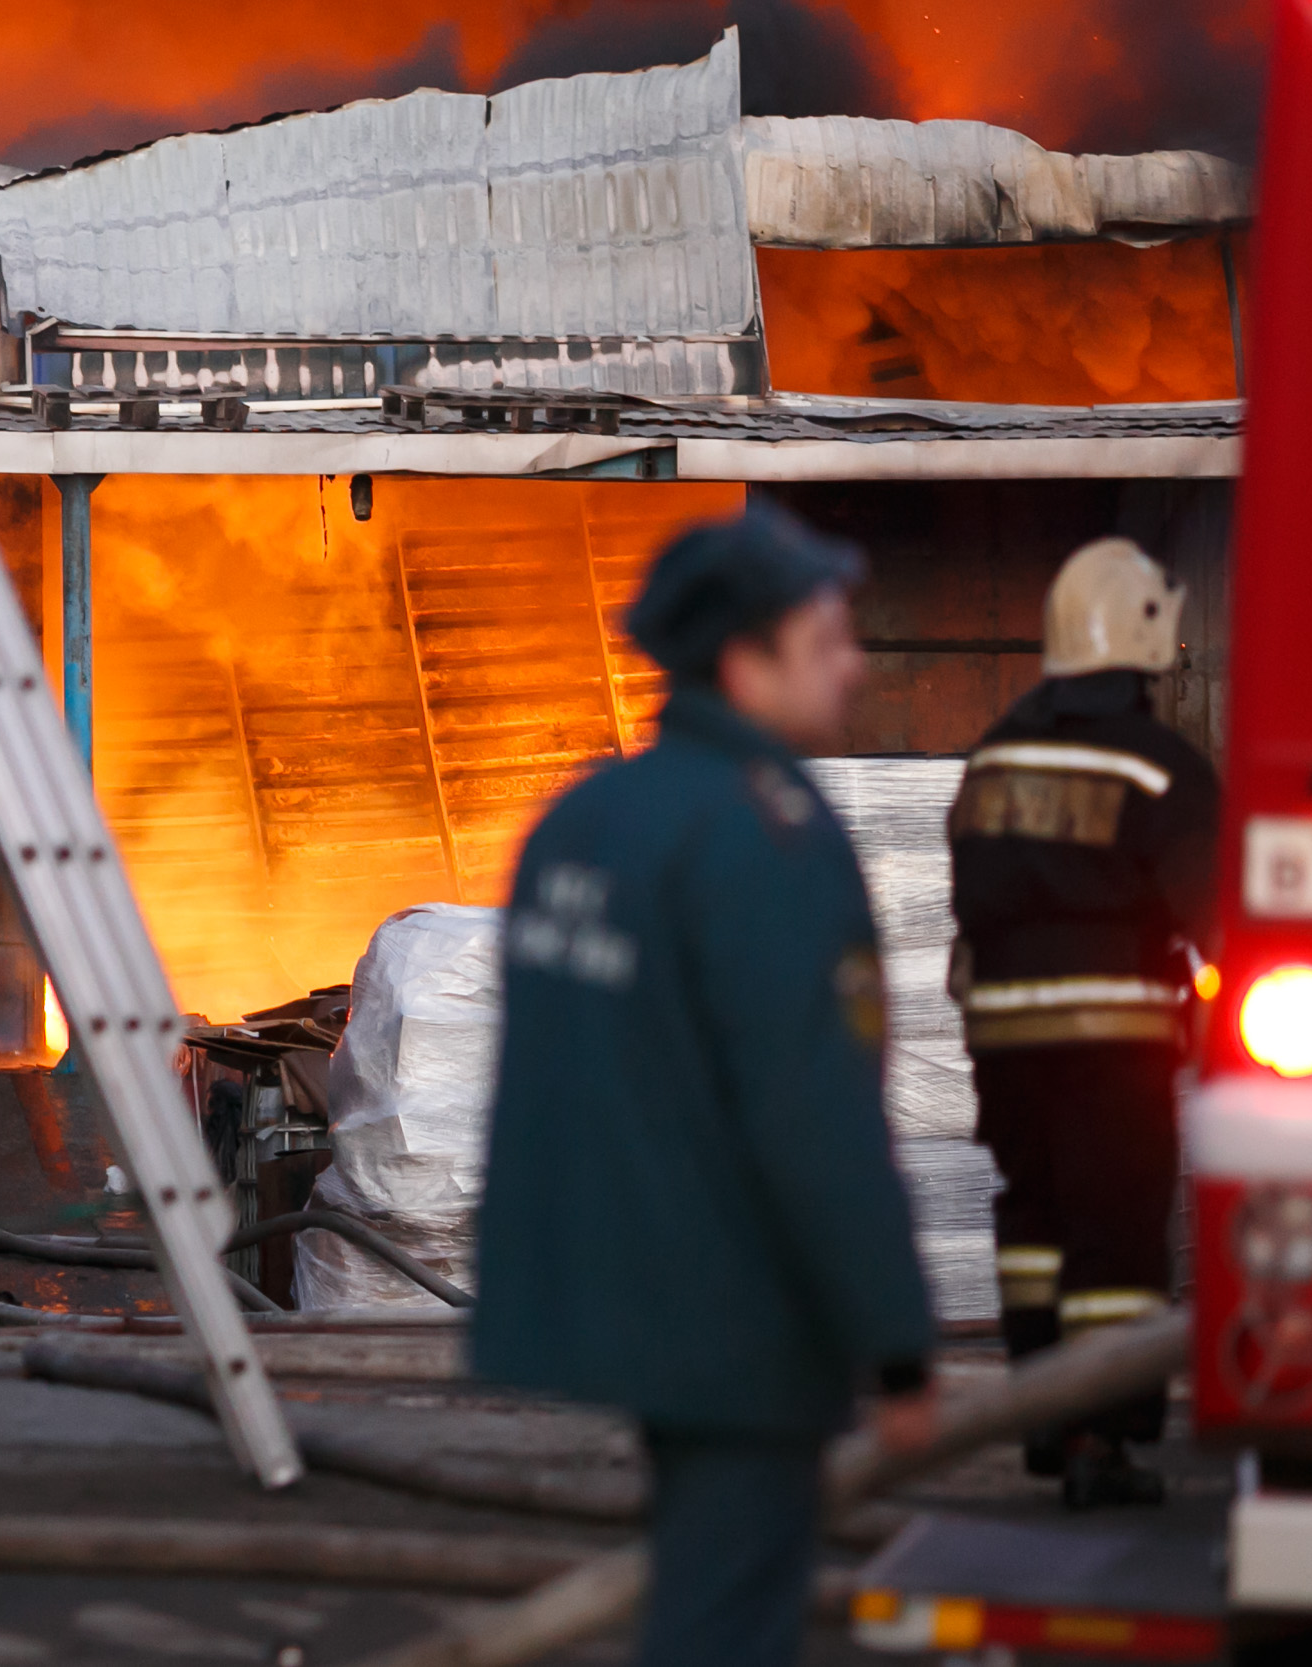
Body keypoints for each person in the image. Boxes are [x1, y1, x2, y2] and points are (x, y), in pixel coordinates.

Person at [473, 503, 938, 1667]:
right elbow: (812, 1109)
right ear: (746, 658)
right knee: (727, 1619)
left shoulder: (581, 821)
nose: (856, 664)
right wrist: (897, 1340)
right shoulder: (764, 833)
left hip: (629, 1299)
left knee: (703, 1585)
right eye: (828, 639)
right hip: (743, 1315)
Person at [947, 538, 1218, 1509]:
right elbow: (1214, 916)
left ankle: (1047, 1422)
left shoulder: (998, 750)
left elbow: (969, 895)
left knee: (1035, 1225)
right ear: (1145, 630)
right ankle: (1103, 1435)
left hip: (1003, 1045)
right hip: (1113, 1046)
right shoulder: (1159, 767)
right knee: (1113, 1239)